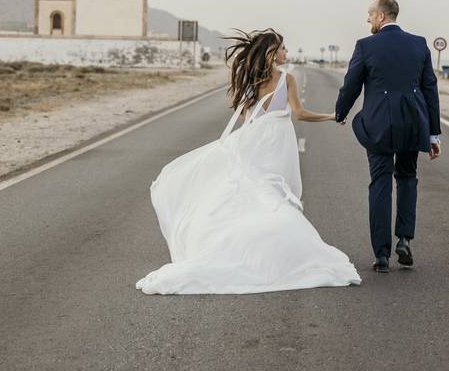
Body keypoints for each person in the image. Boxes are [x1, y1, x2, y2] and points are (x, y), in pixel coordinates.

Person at [136, 28, 362, 294]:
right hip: (277, 143)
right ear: (272, 53)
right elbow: (299, 114)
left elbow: (244, 116)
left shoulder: (250, 80)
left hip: (253, 141)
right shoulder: (286, 79)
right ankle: (274, 253)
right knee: (274, 194)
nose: (286, 53)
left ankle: (241, 247)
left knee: (250, 192)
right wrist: (330, 116)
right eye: (283, 49)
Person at [334, 0, 442, 273]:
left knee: (380, 182)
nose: (367, 19)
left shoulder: (366, 46)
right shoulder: (418, 44)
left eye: (370, 14)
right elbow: (430, 88)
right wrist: (433, 134)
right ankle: (404, 239)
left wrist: (341, 112)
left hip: (379, 124)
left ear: (381, 16)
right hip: (413, 123)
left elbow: (351, 85)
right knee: (407, 178)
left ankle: (381, 255)